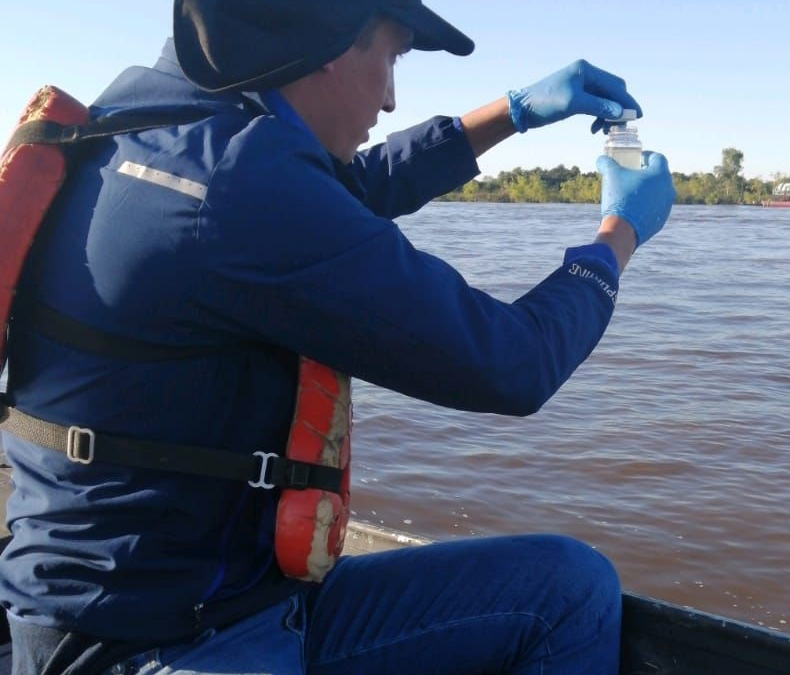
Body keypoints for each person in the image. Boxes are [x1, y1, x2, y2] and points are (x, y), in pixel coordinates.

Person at [0, 0, 675, 673]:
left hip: (199, 604)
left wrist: (513, 112)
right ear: (329, 41)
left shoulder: (140, 123)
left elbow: (345, 190)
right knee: (568, 594)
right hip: (157, 646)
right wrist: (617, 236)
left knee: (564, 587)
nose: (389, 98)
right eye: (392, 57)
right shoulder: (238, 183)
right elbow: (513, 362)